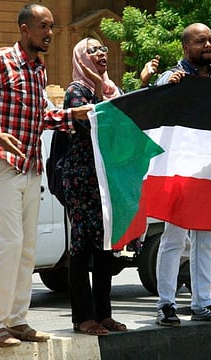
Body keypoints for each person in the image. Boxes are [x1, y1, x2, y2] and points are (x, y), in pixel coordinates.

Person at [0, 3, 92, 347]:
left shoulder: (39, 69)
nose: (50, 33)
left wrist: (74, 116)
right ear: (25, 29)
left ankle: (17, 320)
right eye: (44, 26)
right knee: (9, 245)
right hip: (2, 166)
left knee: (27, 249)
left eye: (52, 27)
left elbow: (43, 116)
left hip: (31, 169)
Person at [62, 37, 159, 335]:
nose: (101, 53)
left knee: (107, 247)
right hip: (82, 179)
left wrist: (140, 81)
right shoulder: (76, 91)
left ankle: (104, 314)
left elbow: (127, 117)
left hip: (107, 180)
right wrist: (95, 81)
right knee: (81, 248)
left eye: (103, 49)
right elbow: (95, 123)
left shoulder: (110, 89)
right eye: (93, 50)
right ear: (81, 58)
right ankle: (83, 317)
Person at [154, 23, 211, 326]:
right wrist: (167, 84)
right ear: (186, 48)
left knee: (206, 240)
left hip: (210, 173)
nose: (209, 45)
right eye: (202, 41)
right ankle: (165, 305)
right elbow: (155, 102)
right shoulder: (172, 78)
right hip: (178, 171)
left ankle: (203, 303)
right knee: (174, 239)